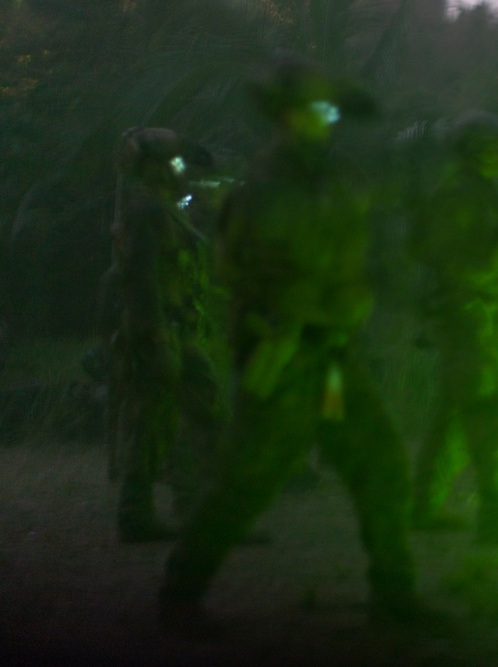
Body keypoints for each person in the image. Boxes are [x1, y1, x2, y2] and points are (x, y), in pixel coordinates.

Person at [159, 55, 435, 634]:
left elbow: (365, 229)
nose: (327, 120)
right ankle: (178, 599)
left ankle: (394, 594)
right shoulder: (266, 189)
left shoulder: (331, 179)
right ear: (288, 116)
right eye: (316, 110)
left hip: (330, 359)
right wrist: (287, 318)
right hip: (283, 355)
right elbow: (239, 273)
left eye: (331, 110)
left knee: (379, 461)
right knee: (249, 480)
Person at [408, 111, 498, 545]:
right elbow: (457, 269)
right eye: (489, 148)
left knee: (451, 416)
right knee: (493, 410)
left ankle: (425, 507)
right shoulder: (461, 197)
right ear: (470, 152)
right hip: (461, 314)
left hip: (471, 314)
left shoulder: (479, 194)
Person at [109, 126, 224, 543]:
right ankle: (135, 513)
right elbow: (141, 280)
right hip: (160, 331)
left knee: (206, 407)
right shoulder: (147, 212)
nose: (182, 170)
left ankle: (204, 508)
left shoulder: (166, 208)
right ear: (154, 169)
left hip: (180, 328)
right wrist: (154, 333)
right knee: (153, 421)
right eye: (174, 163)